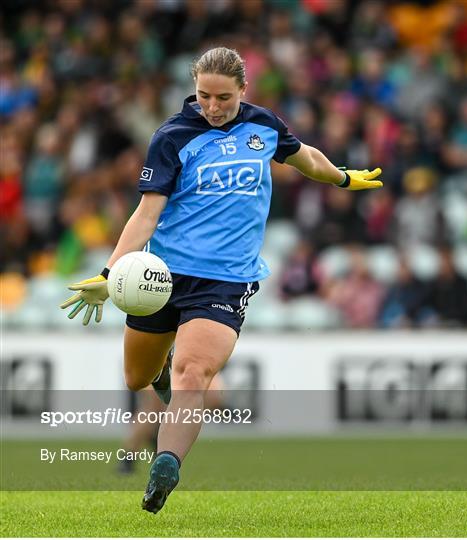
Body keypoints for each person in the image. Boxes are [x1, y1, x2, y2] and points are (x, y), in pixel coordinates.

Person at [60, 47, 383, 514]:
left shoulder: (263, 126)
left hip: (225, 282)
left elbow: (305, 157)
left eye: (224, 98)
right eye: (204, 96)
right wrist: (110, 275)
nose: (213, 107)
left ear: (243, 91)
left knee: (194, 373)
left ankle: (166, 463)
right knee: (138, 378)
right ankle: (161, 376)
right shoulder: (172, 137)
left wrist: (342, 180)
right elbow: (146, 214)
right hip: (162, 278)